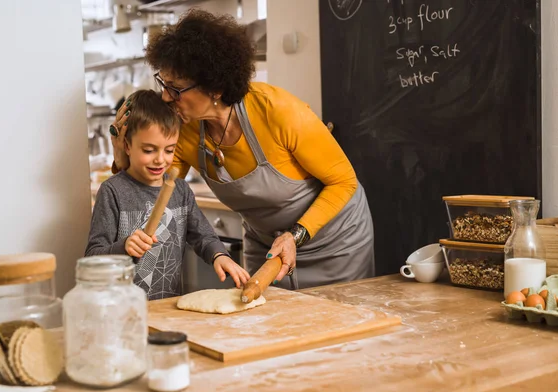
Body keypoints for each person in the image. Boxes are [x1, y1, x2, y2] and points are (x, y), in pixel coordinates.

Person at [109, 10, 375, 290]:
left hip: (334, 243)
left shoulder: (278, 112)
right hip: (267, 245)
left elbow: (344, 182)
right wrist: (120, 153)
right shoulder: (184, 128)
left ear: (215, 88)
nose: (165, 97)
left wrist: (294, 236)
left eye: (175, 89)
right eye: (163, 84)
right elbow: (149, 194)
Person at [87, 90, 249, 300]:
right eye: (149, 150)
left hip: (167, 307)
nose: (160, 160)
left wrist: (219, 255)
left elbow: (204, 237)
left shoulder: (180, 191)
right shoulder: (113, 191)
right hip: (121, 309)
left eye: (169, 150)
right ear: (127, 145)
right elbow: (92, 257)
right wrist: (123, 247)